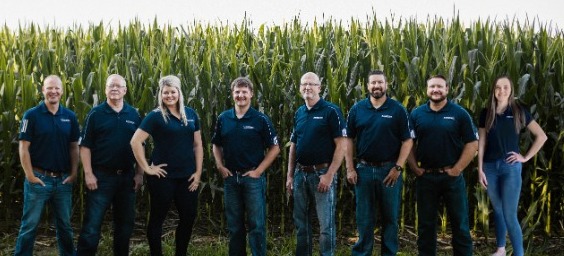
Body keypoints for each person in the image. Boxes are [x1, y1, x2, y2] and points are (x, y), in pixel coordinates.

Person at [130, 75, 203, 256]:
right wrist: (147, 168)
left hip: (187, 177)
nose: (169, 95)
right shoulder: (155, 116)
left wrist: (198, 172)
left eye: (173, 91)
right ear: (160, 94)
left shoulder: (191, 114)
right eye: (165, 92)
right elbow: (135, 141)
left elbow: (198, 145)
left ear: (179, 92)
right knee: (157, 219)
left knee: (188, 217)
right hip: (162, 177)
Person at [407, 74, 478, 256]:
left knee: (460, 224)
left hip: (451, 178)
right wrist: (414, 167)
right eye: (432, 87)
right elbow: (408, 143)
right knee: (425, 225)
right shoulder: (417, 114)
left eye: (439, 87)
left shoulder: (459, 113)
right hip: (426, 177)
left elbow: (472, 143)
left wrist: (457, 169)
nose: (435, 90)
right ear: (427, 90)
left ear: (447, 89)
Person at [345, 70, 414, 256]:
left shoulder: (398, 110)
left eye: (380, 83)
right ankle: (362, 253)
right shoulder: (357, 109)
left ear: (386, 85)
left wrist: (398, 167)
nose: (377, 86)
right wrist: (350, 168)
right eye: (373, 83)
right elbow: (348, 139)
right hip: (363, 171)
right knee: (364, 218)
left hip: (389, 171)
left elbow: (407, 141)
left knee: (390, 218)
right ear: (367, 86)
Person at [477, 76, 547, 256]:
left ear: (511, 89)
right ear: (493, 90)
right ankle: (500, 249)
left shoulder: (519, 111)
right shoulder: (486, 113)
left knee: (509, 214)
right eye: (498, 87)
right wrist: (480, 169)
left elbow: (542, 136)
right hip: (490, 168)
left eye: (505, 87)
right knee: (498, 210)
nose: (501, 91)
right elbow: (482, 142)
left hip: (511, 168)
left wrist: (525, 157)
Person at [211, 77, 280, 256]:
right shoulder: (223, 118)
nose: (240, 95)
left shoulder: (260, 119)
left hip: (252, 180)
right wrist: (219, 165)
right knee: (234, 226)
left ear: (251, 94)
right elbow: (216, 145)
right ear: (232, 94)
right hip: (231, 179)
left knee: (256, 225)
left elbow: (275, 148)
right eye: (237, 92)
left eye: (244, 92)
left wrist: (258, 171)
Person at [76, 74, 143, 256]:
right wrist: (88, 173)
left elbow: (140, 147)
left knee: (125, 226)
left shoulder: (133, 114)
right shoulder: (96, 114)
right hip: (101, 177)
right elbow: (85, 146)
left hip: (127, 178)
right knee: (92, 226)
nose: (114, 89)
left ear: (125, 90)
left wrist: (139, 174)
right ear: (105, 90)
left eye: (118, 86)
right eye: (110, 86)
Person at [15, 75, 80, 256]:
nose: (53, 91)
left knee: (65, 227)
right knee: (29, 226)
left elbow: (74, 147)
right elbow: (23, 147)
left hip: (62, 181)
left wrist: (74, 173)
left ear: (62, 91)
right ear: (43, 90)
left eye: (57, 88)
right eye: (49, 88)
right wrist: (29, 175)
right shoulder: (32, 115)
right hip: (38, 179)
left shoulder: (70, 116)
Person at [286, 72, 346, 256]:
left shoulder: (331, 111)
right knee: (301, 223)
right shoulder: (299, 112)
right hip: (300, 174)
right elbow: (293, 145)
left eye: (312, 84)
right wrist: (289, 175)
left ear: (319, 87)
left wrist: (329, 175)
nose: (307, 87)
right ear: (300, 88)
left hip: (322, 174)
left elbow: (342, 145)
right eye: (304, 84)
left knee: (325, 224)